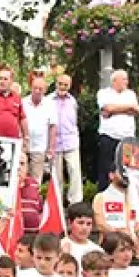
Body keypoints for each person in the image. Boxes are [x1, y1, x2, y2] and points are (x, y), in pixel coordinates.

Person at [95, 70, 139, 190]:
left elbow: (136, 110)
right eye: (124, 79)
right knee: (106, 168)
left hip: (127, 138)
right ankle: (104, 194)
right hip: (109, 136)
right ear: (115, 81)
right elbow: (107, 108)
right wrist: (128, 108)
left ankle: (126, 193)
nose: (126, 82)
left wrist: (115, 109)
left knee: (127, 168)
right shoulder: (104, 93)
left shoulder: (130, 94)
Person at [48, 74, 82, 203]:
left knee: (74, 172)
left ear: (70, 85)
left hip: (70, 141)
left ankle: (75, 202)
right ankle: (57, 203)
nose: (62, 87)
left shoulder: (72, 101)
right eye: (60, 84)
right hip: (54, 142)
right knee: (56, 175)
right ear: (56, 84)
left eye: (65, 84)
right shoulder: (48, 100)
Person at [22, 75, 57, 180]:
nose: (37, 91)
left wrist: (51, 148)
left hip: (40, 147)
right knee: (20, 176)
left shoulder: (50, 104)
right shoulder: (23, 102)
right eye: (35, 88)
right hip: (23, 146)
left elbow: (53, 126)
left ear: (45, 90)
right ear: (31, 88)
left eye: (40, 89)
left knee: (36, 179)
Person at [61, 203, 104, 268]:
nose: (85, 228)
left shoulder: (97, 250)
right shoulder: (60, 246)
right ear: (69, 223)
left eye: (88, 224)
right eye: (80, 223)